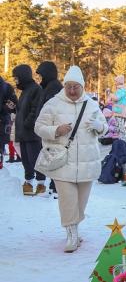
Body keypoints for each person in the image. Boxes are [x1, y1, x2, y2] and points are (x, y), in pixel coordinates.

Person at [34, 66, 107, 252]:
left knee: (81, 202)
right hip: (62, 161)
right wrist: (55, 130)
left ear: (83, 86)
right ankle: (71, 233)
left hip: (87, 162)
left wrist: (99, 126)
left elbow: (105, 128)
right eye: (69, 87)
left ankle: (75, 226)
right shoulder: (53, 104)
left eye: (76, 87)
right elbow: (39, 127)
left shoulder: (91, 104)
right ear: (64, 86)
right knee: (67, 200)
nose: (72, 91)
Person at [13, 64, 46, 196]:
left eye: (17, 78)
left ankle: (41, 184)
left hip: (32, 133)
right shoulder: (25, 91)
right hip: (23, 132)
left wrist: (27, 123)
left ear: (23, 76)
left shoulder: (36, 89)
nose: (16, 81)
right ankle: (29, 182)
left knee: (35, 159)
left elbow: (35, 109)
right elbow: (23, 110)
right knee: (26, 160)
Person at [36, 61, 63, 195]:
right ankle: (54, 185)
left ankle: (56, 186)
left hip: (53, 129)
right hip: (49, 128)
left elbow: (52, 110)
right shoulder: (48, 87)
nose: (40, 79)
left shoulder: (54, 87)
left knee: (55, 156)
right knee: (51, 156)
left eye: (41, 75)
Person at [0, 76, 18, 167]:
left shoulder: (7, 87)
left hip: (3, 119)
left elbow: (14, 104)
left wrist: (5, 108)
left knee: (1, 143)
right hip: (4, 119)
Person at [111, 75, 126, 142]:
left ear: (119, 82)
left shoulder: (122, 90)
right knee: (118, 128)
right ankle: (121, 144)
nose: (115, 83)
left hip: (120, 111)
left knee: (121, 129)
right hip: (118, 111)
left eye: (116, 81)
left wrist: (110, 94)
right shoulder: (119, 90)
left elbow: (116, 98)